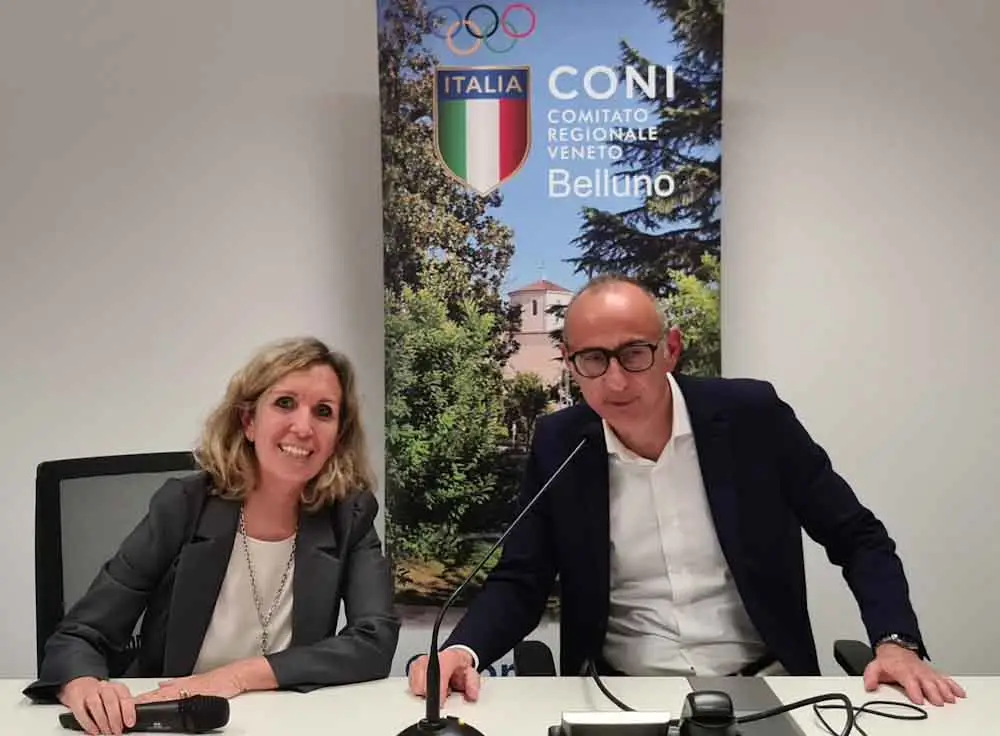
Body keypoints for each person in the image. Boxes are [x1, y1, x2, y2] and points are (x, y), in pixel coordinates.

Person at [408, 275, 966, 709]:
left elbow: (859, 538)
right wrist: (461, 650)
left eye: (634, 354)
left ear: (670, 349)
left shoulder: (752, 418)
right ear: (571, 364)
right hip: (619, 697)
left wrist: (896, 642)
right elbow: (522, 579)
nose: (615, 381)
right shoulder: (560, 444)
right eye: (593, 360)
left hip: (763, 690)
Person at [25, 337, 400, 735]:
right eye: (285, 403)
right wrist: (82, 684)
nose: (303, 427)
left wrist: (239, 676)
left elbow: (373, 640)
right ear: (249, 421)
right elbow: (79, 636)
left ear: (337, 437)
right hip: (175, 719)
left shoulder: (349, 515)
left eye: (323, 412)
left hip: (287, 722)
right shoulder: (184, 505)